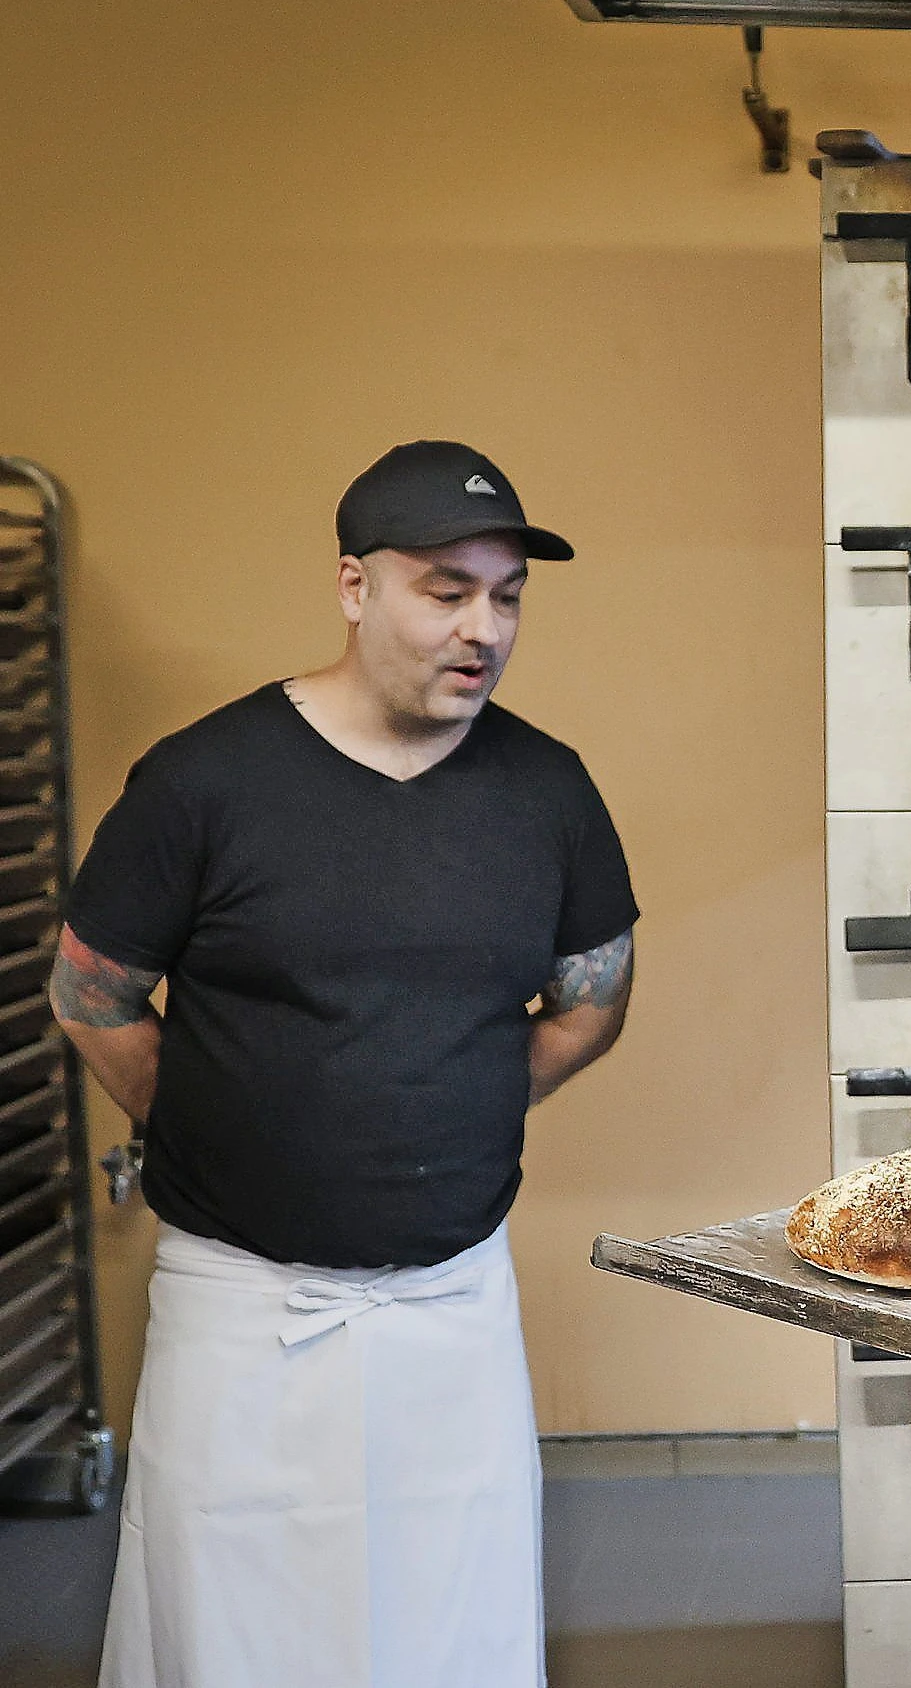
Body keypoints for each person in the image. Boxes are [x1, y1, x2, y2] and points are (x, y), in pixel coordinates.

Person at [61, 440, 638, 1688]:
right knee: (231, 1630)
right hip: (240, 1306)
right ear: (352, 586)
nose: (483, 625)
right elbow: (89, 989)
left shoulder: (547, 789)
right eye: (445, 588)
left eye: (507, 594)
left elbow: (593, 997)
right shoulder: (205, 780)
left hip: (452, 1305)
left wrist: (461, 1093)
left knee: (455, 1630)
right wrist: (225, 1114)